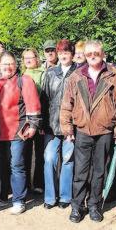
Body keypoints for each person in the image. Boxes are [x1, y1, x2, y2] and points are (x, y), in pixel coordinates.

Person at [60, 40, 116, 223]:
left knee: (99, 171)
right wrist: (67, 128)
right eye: (89, 53)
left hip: (105, 131)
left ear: (102, 53)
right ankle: (77, 206)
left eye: (95, 53)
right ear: (85, 55)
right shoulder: (76, 77)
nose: (92, 56)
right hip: (82, 130)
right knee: (80, 172)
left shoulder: (114, 75)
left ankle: (94, 205)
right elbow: (66, 105)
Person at [0, 52, 41, 215]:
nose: (7, 67)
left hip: (18, 131)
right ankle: (3, 197)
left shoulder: (24, 80)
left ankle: (19, 200)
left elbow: (33, 104)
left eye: (10, 63)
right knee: (1, 166)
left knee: (17, 165)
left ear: (16, 65)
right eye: (4, 64)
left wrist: (33, 125)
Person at [40, 39, 77, 209]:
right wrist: (41, 124)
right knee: (49, 159)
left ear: (72, 54)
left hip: (71, 126)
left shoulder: (79, 73)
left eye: (66, 52)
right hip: (51, 125)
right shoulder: (50, 73)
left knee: (68, 160)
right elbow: (44, 100)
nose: (63, 55)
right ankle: (50, 197)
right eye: (60, 52)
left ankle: (65, 197)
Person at [21, 48, 45, 193]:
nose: (28, 60)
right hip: (24, 120)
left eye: (31, 57)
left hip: (40, 118)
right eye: (25, 58)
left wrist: (41, 122)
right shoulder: (21, 76)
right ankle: (25, 184)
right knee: (25, 152)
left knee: (40, 153)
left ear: (37, 58)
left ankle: (38, 183)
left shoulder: (44, 74)